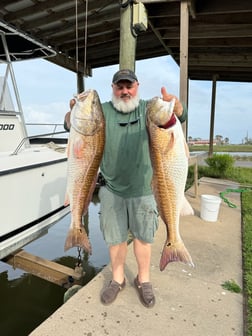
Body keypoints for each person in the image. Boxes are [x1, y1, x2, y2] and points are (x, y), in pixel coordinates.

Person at [64, 69, 187, 308]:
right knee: (115, 239)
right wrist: (72, 114)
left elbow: (174, 120)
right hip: (111, 190)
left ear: (137, 86)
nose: (125, 91)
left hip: (145, 189)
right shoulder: (103, 112)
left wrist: (178, 110)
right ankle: (118, 279)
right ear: (113, 89)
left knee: (143, 239)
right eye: (119, 87)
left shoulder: (146, 109)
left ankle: (144, 280)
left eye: (129, 86)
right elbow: (71, 125)